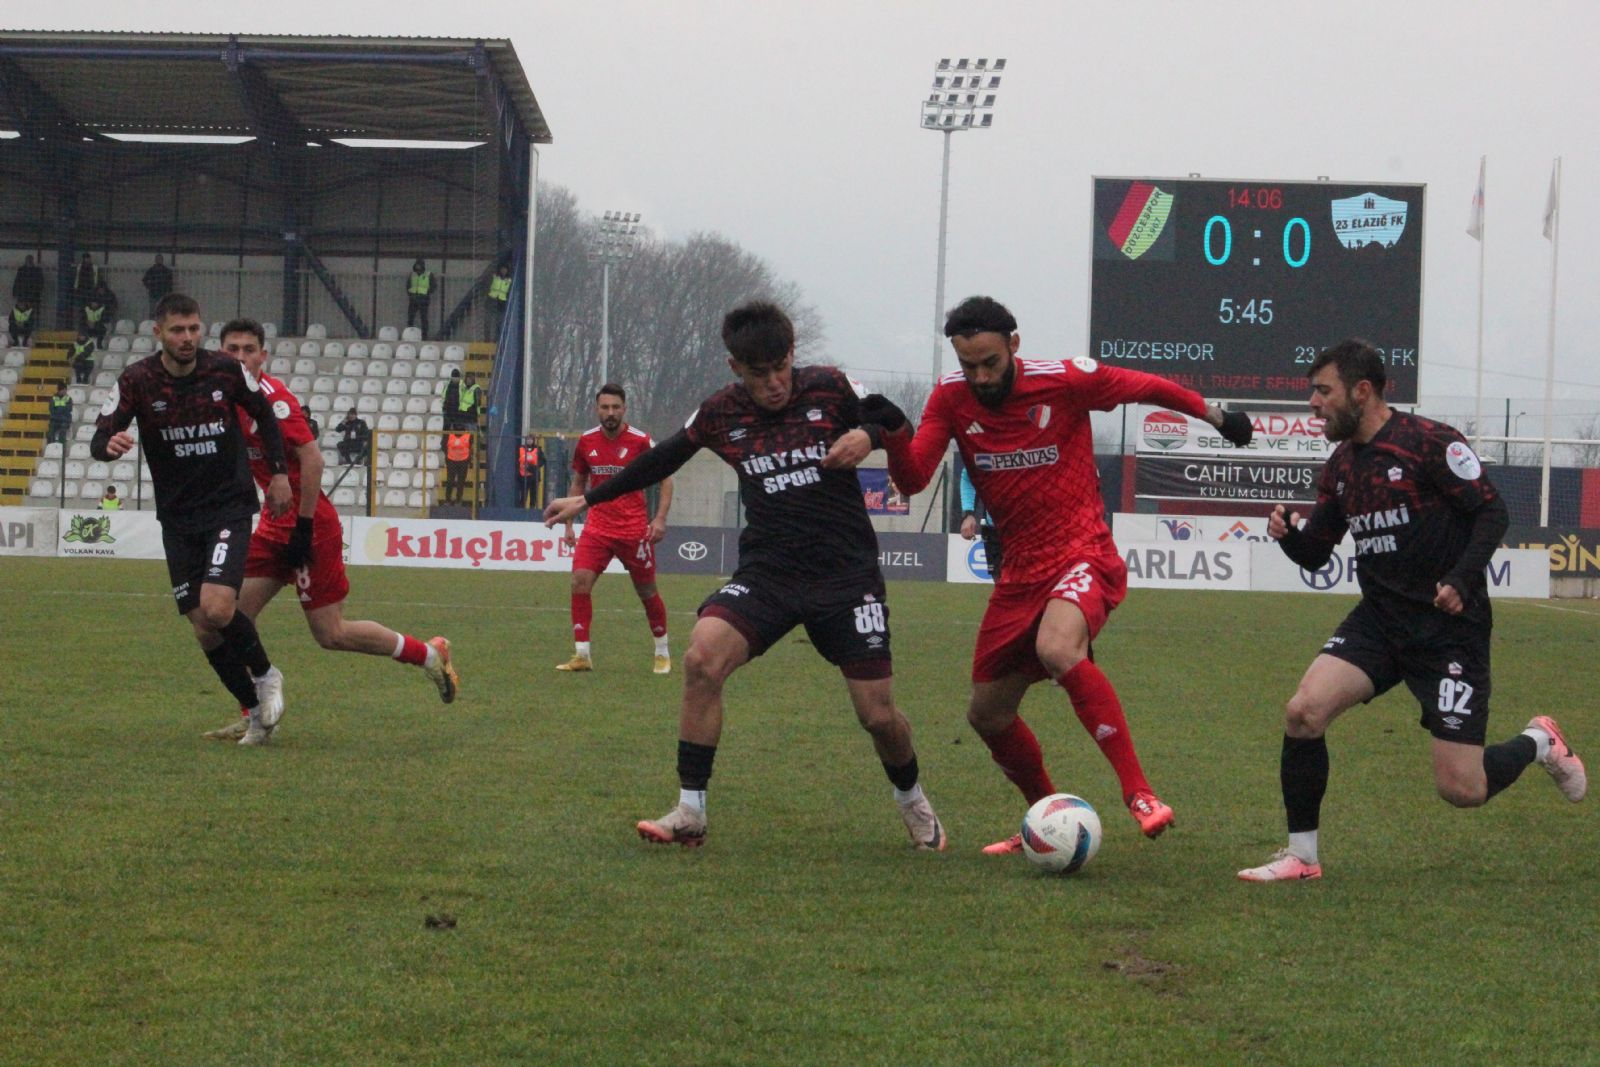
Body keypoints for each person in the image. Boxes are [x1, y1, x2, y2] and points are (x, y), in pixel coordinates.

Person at [544, 300, 947, 852]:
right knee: (700, 658)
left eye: (782, 367)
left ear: (793, 355)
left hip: (845, 577)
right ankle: (690, 811)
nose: (776, 383)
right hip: (770, 573)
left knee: (877, 716)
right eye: (760, 374)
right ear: (736, 368)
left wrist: (869, 437)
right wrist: (587, 499)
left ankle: (914, 803)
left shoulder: (830, 387)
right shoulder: (719, 412)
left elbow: (893, 416)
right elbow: (660, 459)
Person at [876, 295, 1255, 852]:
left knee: (1058, 648)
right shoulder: (950, 399)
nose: (980, 376)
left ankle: (1140, 793)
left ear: (1014, 345)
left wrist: (1216, 417)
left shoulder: (1065, 380)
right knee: (988, 714)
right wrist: (890, 433)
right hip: (1019, 571)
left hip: (1082, 551)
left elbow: (1148, 386)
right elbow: (911, 480)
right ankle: (1045, 820)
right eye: (969, 366)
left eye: (990, 363)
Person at [1237, 339, 1586, 882]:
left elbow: (1491, 513)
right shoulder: (1341, 467)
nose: (1313, 403)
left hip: (1449, 631)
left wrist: (1461, 579)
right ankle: (1303, 858)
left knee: (1461, 789)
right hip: (1379, 622)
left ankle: (1539, 741)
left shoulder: (1428, 443)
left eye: (1322, 391)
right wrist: (1288, 535)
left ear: (1362, 390)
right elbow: (1317, 553)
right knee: (1303, 712)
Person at [199, 318, 458, 742]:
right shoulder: (223, 399)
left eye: (249, 349)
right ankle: (256, 716)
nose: (240, 357)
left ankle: (428, 655)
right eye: (232, 349)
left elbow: (314, 460)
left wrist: (301, 528)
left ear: (263, 356)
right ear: (220, 353)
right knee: (225, 618)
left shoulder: (274, 400)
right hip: (271, 524)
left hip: (309, 525)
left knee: (330, 633)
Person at [91, 293, 293, 746]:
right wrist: (108, 446)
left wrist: (278, 474)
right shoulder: (136, 380)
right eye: (178, 330)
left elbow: (264, 412)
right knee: (204, 627)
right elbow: (100, 434)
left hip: (228, 505)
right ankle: (255, 713)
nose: (187, 338)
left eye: (194, 328)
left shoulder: (224, 369)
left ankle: (266, 674)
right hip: (178, 517)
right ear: (158, 332)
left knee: (220, 609)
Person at [554, 384, 674, 675]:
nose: (610, 413)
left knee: (646, 591)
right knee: (579, 581)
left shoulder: (640, 441)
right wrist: (569, 523)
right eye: (605, 407)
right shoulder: (586, 442)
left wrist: (659, 519)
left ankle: (662, 651)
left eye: (615, 407)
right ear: (597, 409)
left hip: (633, 531)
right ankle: (582, 654)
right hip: (597, 528)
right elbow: (579, 483)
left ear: (624, 409)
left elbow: (666, 479)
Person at [957, 461, 1002, 579]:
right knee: (1000, 582)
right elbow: (967, 476)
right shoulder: (984, 450)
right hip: (993, 530)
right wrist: (968, 514)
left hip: (1025, 529)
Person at [442, 428, 472, 505]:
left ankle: (459, 500)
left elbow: (472, 447)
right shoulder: (448, 435)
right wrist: (448, 456)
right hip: (451, 461)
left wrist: (468, 459)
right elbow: (443, 445)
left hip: (463, 462)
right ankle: (447, 500)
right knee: (450, 481)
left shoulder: (468, 436)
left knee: (461, 482)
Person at [406, 258, 433, 338]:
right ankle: (409, 335)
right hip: (413, 299)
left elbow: (433, 286)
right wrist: (410, 294)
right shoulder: (412, 275)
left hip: (424, 299)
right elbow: (408, 285)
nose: (418, 268)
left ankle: (424, 335)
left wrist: (427, 293)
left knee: (424, 319)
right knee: (411, 318)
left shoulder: (428, 274)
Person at [142, 254, 174, 318]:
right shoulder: (151, 270)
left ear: (162, 260)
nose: (159, 261)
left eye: (160, 259)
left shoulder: (166, 271)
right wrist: (149, 287)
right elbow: (144, 280)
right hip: (154, 293)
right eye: (157, 259)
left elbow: (170, 283)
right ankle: (151, 324)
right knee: (152, 310)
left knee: (163, 310)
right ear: (155, 260)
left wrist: (169, 292)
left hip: (163, 293)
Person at [486, 263, 512, 341]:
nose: (503, 271)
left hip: (501, 303)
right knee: (489, 321)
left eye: (505, 269)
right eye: (502, 269)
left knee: (498, 322)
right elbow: (488, 285)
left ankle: (496, 339)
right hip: (492, 300)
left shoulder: (509, 280)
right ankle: (487, 339)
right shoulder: (495, 277)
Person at [518, 432, 543, 508]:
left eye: (531, 439)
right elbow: (517, 460)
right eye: (528, 439)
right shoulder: (521, 449)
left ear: (533, 440)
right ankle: (522, 510)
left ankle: (532, 509)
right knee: (523, 495)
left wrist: (533, 466)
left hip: (534, 476)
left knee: (533, 495)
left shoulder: (538, 449)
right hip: (523, 476)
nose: (529, 441)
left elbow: (542, 461)